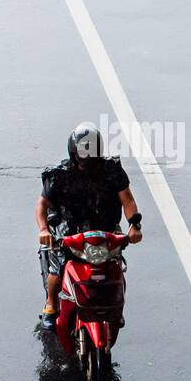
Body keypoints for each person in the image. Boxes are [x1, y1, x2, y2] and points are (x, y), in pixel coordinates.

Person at [36, 124, 142, 330]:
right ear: (73, 153)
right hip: (70, 232)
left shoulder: (112, 171)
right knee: (57, 271)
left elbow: (127, 200)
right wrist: (44, 229)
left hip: (106, 231)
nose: (85, 160)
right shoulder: (59, 175)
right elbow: (42, 204)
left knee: (116, 269)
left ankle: (116, 307)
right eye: (81, 155)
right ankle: (51, 304)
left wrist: (134, 225)